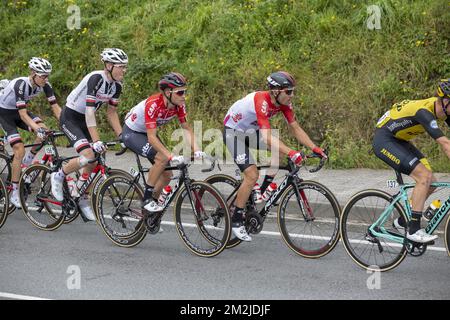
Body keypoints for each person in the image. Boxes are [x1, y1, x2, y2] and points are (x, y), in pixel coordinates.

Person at [223, 71, 327, 241]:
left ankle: (261, 192)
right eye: (288, 91)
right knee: (251, 174)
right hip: (233, 132)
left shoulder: (283, 102)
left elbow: (295, 128)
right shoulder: (261, 101)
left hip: (249, 131)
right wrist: (292, 153)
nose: (292, 95)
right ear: (275, 91)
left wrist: (315, 148)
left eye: (292, 91)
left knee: (279, 149)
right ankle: (236, 220)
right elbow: (267, 137)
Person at [50, 48, 127, 221]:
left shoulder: (117, 86)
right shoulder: (96, 78)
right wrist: (97, 139)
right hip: (70, 118)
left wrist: (123, 136)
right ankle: (59, 174)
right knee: (89, 154)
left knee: (98, 155)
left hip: (85, 121)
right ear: (108, 65)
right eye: (121, 66)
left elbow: (111, 113)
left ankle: (80, 193)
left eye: (125, 67)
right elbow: (90, 111)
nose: (124, 70)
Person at [371, 79, 450, 243]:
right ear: (445, 101)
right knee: (424, 177)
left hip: (399, 140)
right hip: (384, 139)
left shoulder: (442, 110)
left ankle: (402, 222)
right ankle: (413, 230)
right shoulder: (424, 112)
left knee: (431, 182)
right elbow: (445, 143)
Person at [122, 72, 205, 213]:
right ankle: (147, 199)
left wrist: (197, 150)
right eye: (180, 92)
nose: (184, 96)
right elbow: (152, 138)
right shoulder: (153, 104)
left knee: (167, 175)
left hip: (147, 133)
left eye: (185, 92)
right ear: (168, 92)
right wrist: (171, 156)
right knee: (162, 157)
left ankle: (149, 212)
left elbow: (186, 128)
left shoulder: (178, 105)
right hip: (133, 133)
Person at [0, 57, 61, 208]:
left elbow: (55, 107)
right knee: (19, 149)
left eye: (47, 76)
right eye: (43, 76)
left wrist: (66, 123)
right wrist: (36, 128)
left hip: (20, 112)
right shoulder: (21, 84)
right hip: (5, 114)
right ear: (33, 73)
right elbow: (22, 115)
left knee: (45, 131)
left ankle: (27, 161)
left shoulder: (45, 85)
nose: (45, 79)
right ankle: (14, 191)